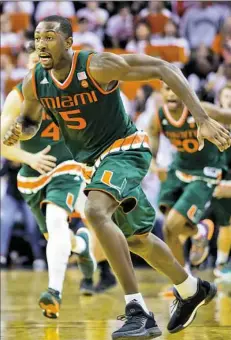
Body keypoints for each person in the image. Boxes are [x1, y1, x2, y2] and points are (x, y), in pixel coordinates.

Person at [4, 16, 230, 340]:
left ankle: (138, 311)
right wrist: (19, 132)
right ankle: (190, 287)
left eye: (50, 37)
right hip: (91, 164)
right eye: (38, 38)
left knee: (95, 212)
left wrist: (203, 118)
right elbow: (30, 119)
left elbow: (163, 68)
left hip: (125, 150)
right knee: (138, 240)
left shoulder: (97, 66)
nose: (41, 44)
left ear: (69, 43)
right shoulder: (34, 81)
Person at [1, 41, 97, 309]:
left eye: (42, 63)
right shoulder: (17, 97)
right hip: (33, 172)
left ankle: (54, 292)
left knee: (56, 221)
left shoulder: (68, 92)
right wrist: (30, 157)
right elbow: (2, 144)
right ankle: (82, 244)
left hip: (67, 166)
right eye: (32, 63)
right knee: (58, 237)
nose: (37, 68)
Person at [148, 82, 229, 268]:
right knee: (169, 229)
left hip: (205, 172)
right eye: (167, 89)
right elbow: (152, 139)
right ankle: (185, 281)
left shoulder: (202, 110)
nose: (172, 94)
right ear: (162, 92)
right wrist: (154, 164)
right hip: (178, 170)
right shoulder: (159, 117)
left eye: (176, 89)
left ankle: (198, 236)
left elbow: (227, 116)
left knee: (172, 224)